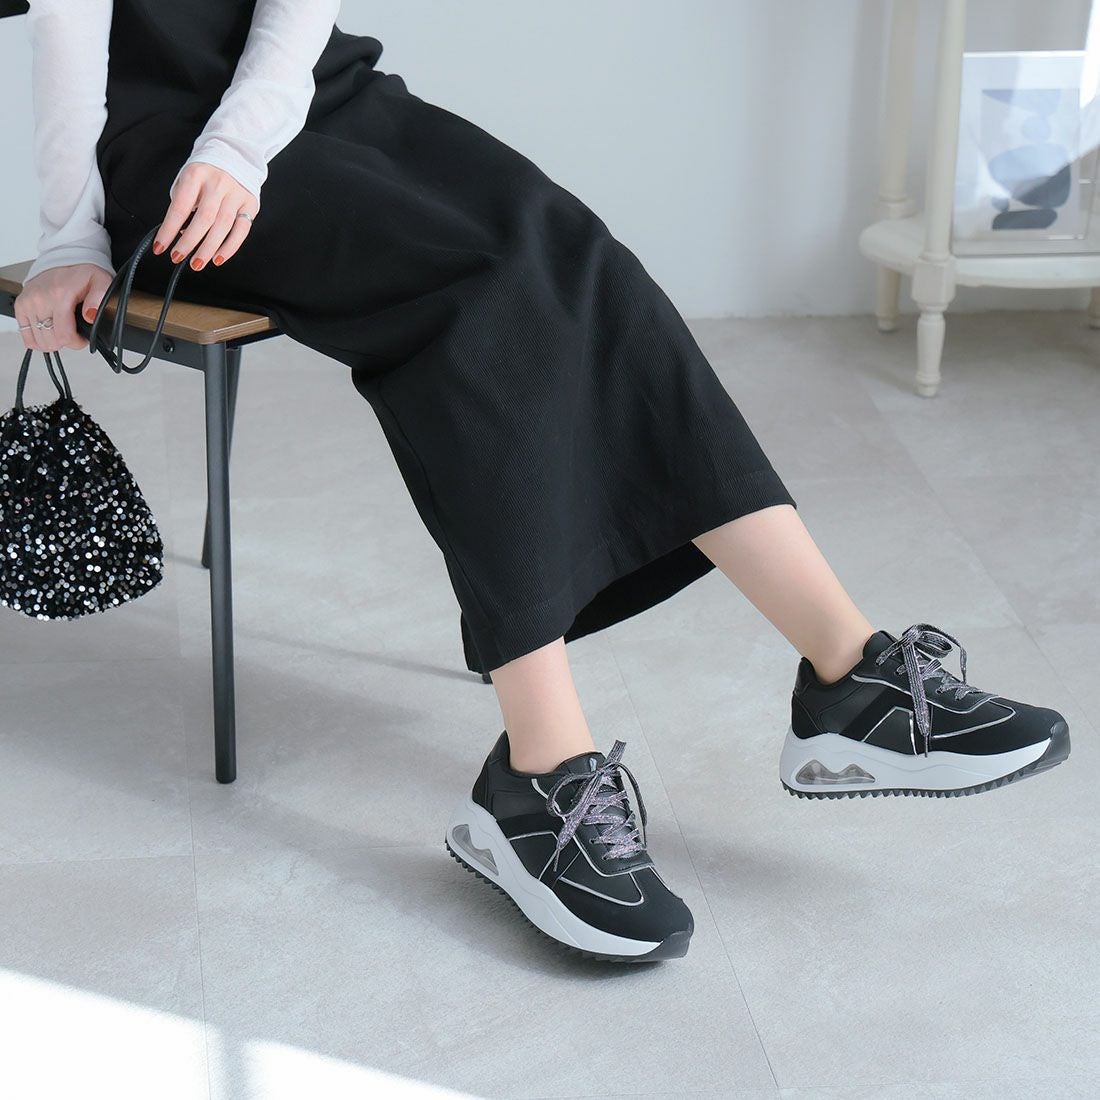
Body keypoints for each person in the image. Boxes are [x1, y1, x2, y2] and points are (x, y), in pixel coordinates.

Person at [13, 0, 1070, 963]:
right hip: (169, 154)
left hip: (308, 96)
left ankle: (851, 675)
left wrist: (248, 139)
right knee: (474, 299)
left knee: (573, 255)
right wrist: (72, 232)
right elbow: (67, 18)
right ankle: (536, 775)